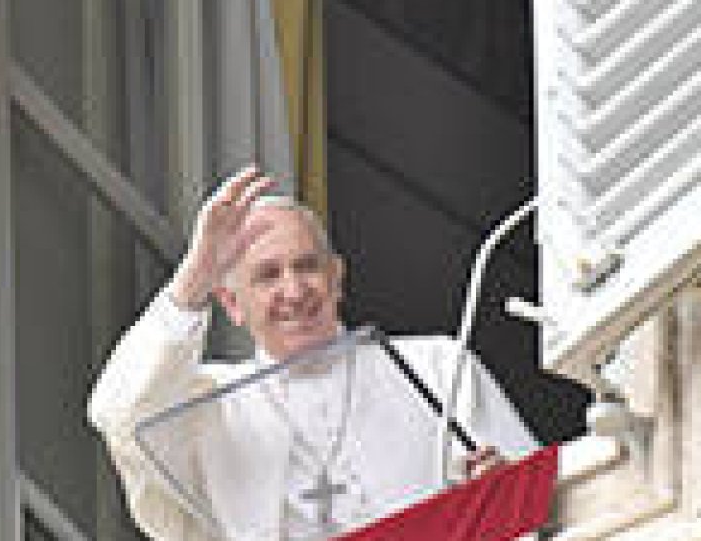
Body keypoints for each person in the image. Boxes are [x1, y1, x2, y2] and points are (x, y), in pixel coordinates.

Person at [88, 165, 538, 540]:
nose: (294, 290)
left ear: (337, 277)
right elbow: (120, 414)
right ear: (231, 304)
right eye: (267, 275)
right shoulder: (211, 409)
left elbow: (548, 502)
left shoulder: (438, 367)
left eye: (307, 266)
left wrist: (504, 488)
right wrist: (195, 275)